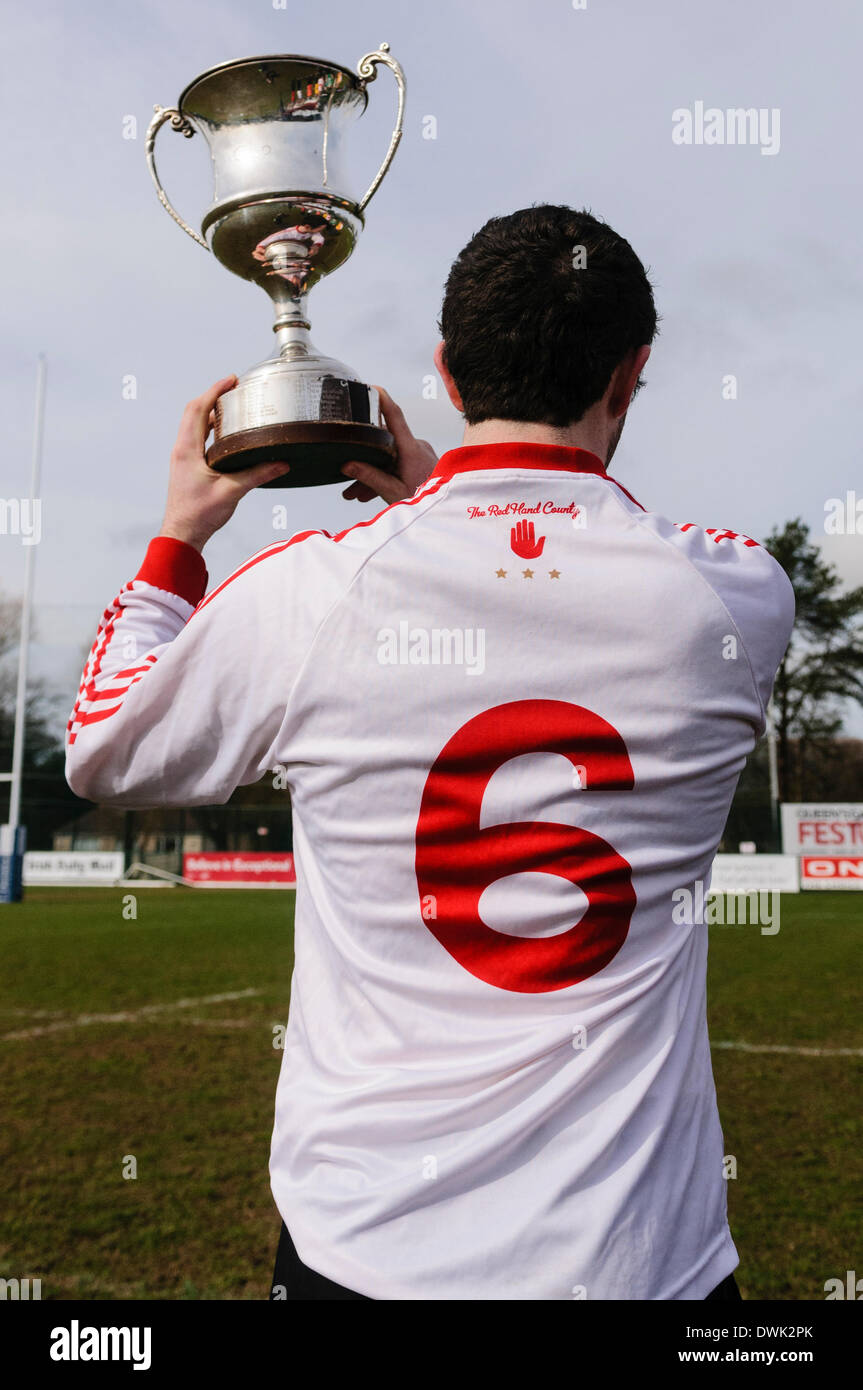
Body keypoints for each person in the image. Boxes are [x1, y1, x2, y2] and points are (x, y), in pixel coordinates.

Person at [65, 204, 794, 1301]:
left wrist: (179, 538)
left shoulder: (317, 592)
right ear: (630, 375)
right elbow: (568, 572)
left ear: (447, 374)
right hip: (642, 1267)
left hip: (366, 1253)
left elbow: (103, 750)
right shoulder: (736, 597)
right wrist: (447, 496)